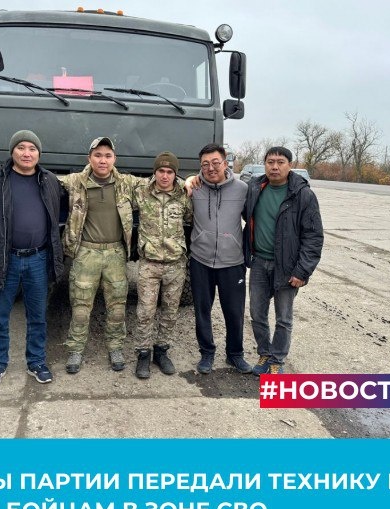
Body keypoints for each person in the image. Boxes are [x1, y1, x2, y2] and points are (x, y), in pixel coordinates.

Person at [0, 130, 66, 388]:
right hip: (5, 259)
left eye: (32, 149)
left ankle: (36, 361)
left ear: (39, 154)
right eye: (21, 148)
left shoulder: (49, 181)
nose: (27, 153)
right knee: (0, 316)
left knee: (37, 316)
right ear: (12, 151)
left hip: (38, 258)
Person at [59, 137, 143, 374]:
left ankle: (115, 347)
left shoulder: (126, 183)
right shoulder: (75, 182)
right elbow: (44, 180)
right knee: (80, 306)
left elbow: (159, 181)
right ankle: (76, 349)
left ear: (114, 159)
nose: (102, 160)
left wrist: (189, 180)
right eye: (97, 155)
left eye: (107, 156)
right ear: (89, 158)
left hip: (115, 253)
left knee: (117, 307)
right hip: (86, 253)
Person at [243, 146, 324, 375]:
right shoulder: (255, 188)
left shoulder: (303, 195)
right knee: (257, 314)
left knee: (283, 318)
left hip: (287, 267)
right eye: (270, 162)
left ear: (290, 165)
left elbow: (313, 236)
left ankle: (277, 359)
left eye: (280, 162)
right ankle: (264, 353)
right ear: (265, 165)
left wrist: (302, 271)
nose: (275, 167)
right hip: (259, 262)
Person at [188, 143, 252, 375]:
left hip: (232, 261)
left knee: (234, 312)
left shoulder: (242, 189)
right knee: (202, 309)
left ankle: (235, 354)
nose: (211, 168)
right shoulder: (194, 187)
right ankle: (207, 352)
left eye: (216, 163)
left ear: (225, 163)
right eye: (205, 164)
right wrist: (189, 180)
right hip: (200, 260)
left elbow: (253, 220)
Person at [132, 151, 192, 379]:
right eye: (161, 171)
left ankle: (161, 351)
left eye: (169, 172)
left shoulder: (184, 195)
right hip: (149, 263)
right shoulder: (142, 192)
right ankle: (143, 354)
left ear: (175, 174)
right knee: (145, 312)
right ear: (154, 172)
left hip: (175, 264)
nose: (165, 176)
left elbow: (191, 219)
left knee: (170, 311)